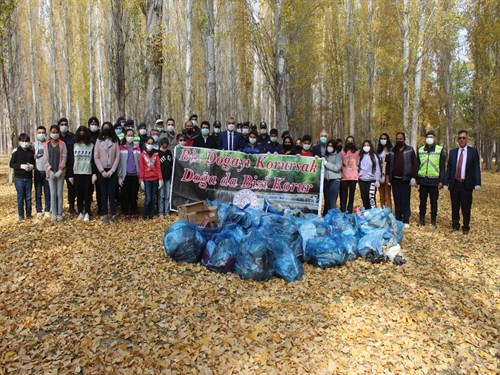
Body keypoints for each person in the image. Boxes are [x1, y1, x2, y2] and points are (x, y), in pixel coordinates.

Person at [443, 130, 481, 234]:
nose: (462, 140)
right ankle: (455, 224)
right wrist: (446, 182)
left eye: (463, 138)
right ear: (457, 139)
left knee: (466, 206)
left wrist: (478, 182)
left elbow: (476, 168)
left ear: (467, 138)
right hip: (455, 184)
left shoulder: (473, 152)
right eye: (460, 138)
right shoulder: (453, 152)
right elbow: (449, 168)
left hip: (466, 184)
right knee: (455, 206)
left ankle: (465, 226)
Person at [387, 132, 418, 227]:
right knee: (397, 200)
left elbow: (415, 164)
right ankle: (398, 219)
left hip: (406, 179)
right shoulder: (392, 150)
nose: (398, 140)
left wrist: (414, 177)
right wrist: (388, 177)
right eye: (397, 138)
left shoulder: (410, 150)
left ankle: (406, 220)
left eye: (400, 139)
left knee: (405, 200)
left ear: (404, 139)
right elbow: (388, 165)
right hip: (395, 180)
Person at [416, 130, 446, 228]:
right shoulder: (420, 150)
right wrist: (416, 179)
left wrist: (441, 181)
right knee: (422, 201)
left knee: (434, 202)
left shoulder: (439, 150)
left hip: (434, 181)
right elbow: (417, 165)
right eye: (428, 137)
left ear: (434, 138)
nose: (429, 138)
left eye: (431, 137)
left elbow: (442, 167)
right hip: (423, 180)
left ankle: (433, 220)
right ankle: (422, 219)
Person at [94, 122, 120, 224]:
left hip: (112, 171)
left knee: (112, 193)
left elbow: (118, 156)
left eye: (108, 128)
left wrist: (112, 170)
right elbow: (96, 157)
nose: (106, 129)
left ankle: (113, 214)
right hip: (102, 170)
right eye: (104, 128)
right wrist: (102, 171)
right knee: (103, 193)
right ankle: (105, 215)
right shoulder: (98, 141)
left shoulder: (115, 141)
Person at [43, 125, 68, 222]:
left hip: (60, 173)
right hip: (50, 173)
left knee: (59, 193)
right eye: (53, 132)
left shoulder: (62, 144)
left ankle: (60, 214)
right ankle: (54, 214)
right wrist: (49, 169)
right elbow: (45, 158)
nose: (55, 134)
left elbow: (64, 157)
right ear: (50, 133)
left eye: (56, 132)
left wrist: (60, 170)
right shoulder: (46, 144)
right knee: (53, 194)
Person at [10, 133, 35, 222]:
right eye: (23, 141)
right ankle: (21, 215)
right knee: (20, 197)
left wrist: (32, 166)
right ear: (19, 142)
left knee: (28, 197)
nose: (25, 143)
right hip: (19, 178)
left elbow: (34, 163)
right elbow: (11, 164)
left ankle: (29, 214)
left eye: (26, 141)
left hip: (28, 178)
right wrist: (21, 166)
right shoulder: (16, 152)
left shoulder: (31, 152)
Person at [118, 129, 141, 222]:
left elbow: (140, 163)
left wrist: (141, 177)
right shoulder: (121, 148)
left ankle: (134, 212)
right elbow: (119, 163)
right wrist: (119, 176)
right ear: (125, 136)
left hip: (135, 175)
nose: (130, 137)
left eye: (132, 135)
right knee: (125, 195)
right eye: (128, 135)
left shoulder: (137, 148)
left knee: (134, 195)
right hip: (125, 175)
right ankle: (126, 213)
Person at [73, 126, 95, 221]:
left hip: (88, 173)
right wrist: (70, 174)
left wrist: (94, 173)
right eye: (80, 132)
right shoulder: (75, 145)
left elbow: (94, 160)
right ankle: (80, 212)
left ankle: (87, 212)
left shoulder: (91, 146)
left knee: (87, 194)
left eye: (84, 132)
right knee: (79, 194)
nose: (82, 134)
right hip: (77, 172)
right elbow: (71, 160)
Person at [139, 137, 163, 219]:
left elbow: (158, 167)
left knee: (153, 198)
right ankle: (144, 214)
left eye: (151, 144)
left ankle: (151, 214)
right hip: (147, 179)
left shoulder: (156, 155)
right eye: (148, 143)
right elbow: (141, 168)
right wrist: (141, 180)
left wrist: (160, 179)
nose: (149, 145)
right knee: (148, 198)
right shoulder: (142, 155)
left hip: (155, 179)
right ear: (145, 144)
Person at [58, 117, 76, 214]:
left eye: (65, 124)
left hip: (71, 166)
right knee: (58, 188)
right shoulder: (56, 138)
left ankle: (72, 206)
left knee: (72, 188)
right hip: (59, 166)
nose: (64, 126)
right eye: (62, 124)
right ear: (58, 126)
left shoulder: (73, 137)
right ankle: (57, 208)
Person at [33, 126, 51, 218]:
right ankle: (38, 210)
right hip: (37, 171)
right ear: (36, 134)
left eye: (43, 132)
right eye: (39, 132)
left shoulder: (48, 144)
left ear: (46, 134)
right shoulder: (34, 144)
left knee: (47, 192)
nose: (41, 134)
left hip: (47, 171)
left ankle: (47, 210)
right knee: (38, 192)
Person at [358, 140, 381, 210]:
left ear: (370, 146)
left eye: (368, 145)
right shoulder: (360, 156)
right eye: (365, 145)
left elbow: (377, 168)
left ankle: (373, 213)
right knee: (364, 197)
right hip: (362, 180)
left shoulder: (374, 156)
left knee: (371, 198)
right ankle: (366, 212)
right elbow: (357, 168)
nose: (366, 147)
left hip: (372, 181)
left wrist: (377, 180)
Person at [340, 136, 359, 213]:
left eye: (351, 141)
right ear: (346, 142)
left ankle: (349, 211)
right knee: (344, 196)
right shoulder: (342, 152)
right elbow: (341, 164)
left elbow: (358, 164)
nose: (350, 143)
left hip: (353, 177)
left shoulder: (357, 152)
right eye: (348, 141)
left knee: (351, 196)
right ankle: (343, 211)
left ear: (354, 142)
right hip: (344, 177)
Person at [322, 139, 342, 215]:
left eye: (331, 146)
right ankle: (326, 218)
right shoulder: (325, 156)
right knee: (326, 201)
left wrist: (326, 163)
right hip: (325, 181)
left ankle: (333, 219)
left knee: (332, 201)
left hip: (334, 180)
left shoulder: (338, 155)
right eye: (328, 146)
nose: (329, 147)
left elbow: (337, 168)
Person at [377, 133, 393, 209]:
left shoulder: (390, 150)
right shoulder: (378, 151)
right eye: (382, 138)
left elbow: (390, 164)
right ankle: (382, 212)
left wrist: (387, 176)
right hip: (379, 175)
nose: (383, 140)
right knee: (381, 196)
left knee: (387, 195)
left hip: (387, 175)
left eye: (385, 138)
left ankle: (389, 213)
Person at [158, 138, 173, 218]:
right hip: (161, 178)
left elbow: (171, 164)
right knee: (161, 196)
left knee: (167, 195)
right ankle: (160, 212)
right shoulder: (158, 153)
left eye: (166, 144)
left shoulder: (169, 152)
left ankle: (167, 211)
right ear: (161, 144)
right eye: (164, 144)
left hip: (168, 177)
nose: (165, 145)